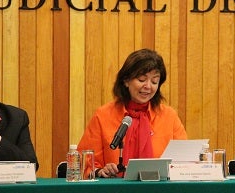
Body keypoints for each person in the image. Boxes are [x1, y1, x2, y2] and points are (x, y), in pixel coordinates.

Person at [77, 48, 187, 178]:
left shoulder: (169, 116)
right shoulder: (103, 115)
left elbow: (184, 162)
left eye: (154, 81)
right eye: (141, 79)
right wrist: (100, 172)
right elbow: (83, 163)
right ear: (126, 80)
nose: (148, 86)